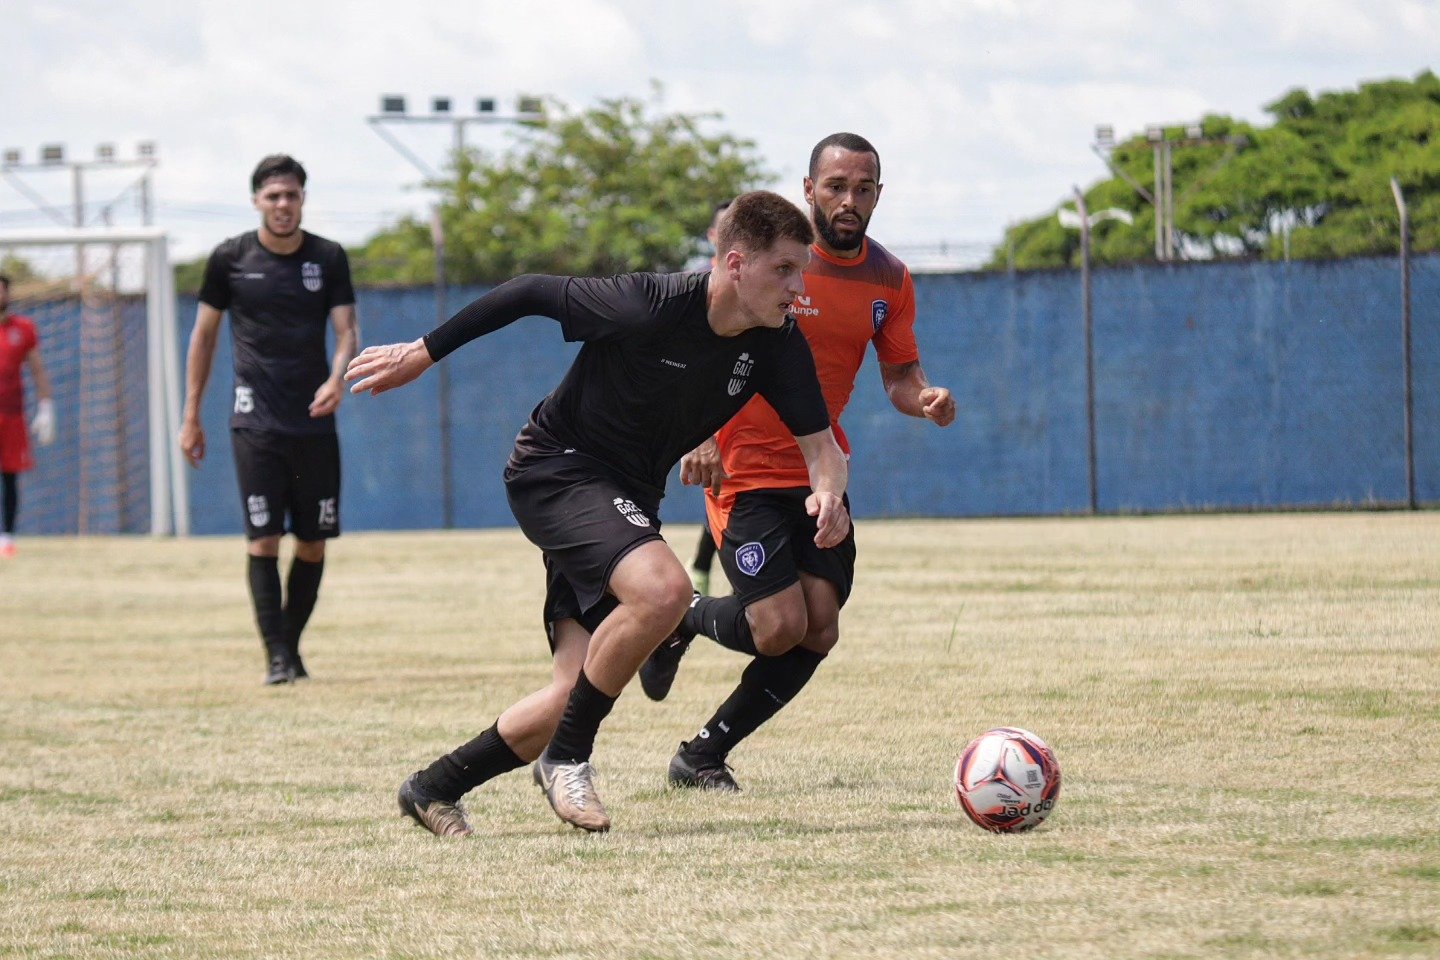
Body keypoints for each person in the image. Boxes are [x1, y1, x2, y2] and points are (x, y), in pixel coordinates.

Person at [345, 190, 849, 836]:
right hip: (558, 468)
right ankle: (569, 758)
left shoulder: (777, 342)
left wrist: (827, 492)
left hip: (628, 501)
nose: (796, 287)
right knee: (665, 588)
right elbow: (526, 291)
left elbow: (822, 448)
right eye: (783, 269)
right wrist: (423, 351)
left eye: (800, 271)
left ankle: (434, 786)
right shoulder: (649, 304)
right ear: (733, 264)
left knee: (572, 692)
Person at [639, 132, 957, 792]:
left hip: (819, 472)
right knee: (778, 625)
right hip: (743, 466)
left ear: (877, 195)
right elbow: (703, 343)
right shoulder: (772, 261)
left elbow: (899, 374)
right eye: (835, 186)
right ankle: (680, 618)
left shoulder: (889, 279)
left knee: (820, 627)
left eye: (862, 188)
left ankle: (701, 756)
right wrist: (699, 436)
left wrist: (922, 399)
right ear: (809, 189)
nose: (849, 199)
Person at [178, 155, 359, 685]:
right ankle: (277, 658)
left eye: (292, 195)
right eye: (273, 196)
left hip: (314, 421)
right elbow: (204, 337)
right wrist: (191, 415)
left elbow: (347, 331)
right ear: (256, 200)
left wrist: (336, 379)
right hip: (253, 421)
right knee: (263, 539)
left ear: (303, 199)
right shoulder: (229, 259)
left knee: (312, 540)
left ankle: (290, 647)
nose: (283, 205)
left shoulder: (328, 257)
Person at [685, 199, 732, 595]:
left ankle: (709, 568)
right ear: (713, 237)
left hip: (746, 408)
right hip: (702, 408)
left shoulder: (769, 289)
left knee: (733, 489)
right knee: (719, 488)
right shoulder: (693, 286)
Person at [0, 274, 55, 558]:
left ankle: (6, 537)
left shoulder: (23, 329)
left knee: (9, 477)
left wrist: (46, 407)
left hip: (11, 414)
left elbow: (37, 370)